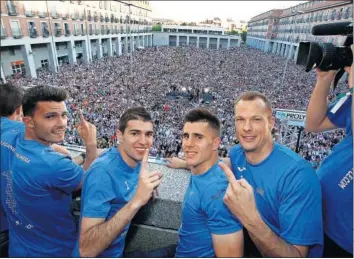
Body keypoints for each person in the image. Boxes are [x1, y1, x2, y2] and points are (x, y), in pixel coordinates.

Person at [168, 91, 323, 257]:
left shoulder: (298, 176)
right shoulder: (238, 153)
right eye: (240, 119)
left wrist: (249, 217)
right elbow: (221, 163)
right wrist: (187, 162)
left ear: (271, 122)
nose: (246, 127)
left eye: (256, 119)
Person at [0, 85, 97, 257]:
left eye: (64, 115)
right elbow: (91, 182)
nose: (61, 123)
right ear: (27, 121)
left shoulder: (7, 131)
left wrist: (58, 148)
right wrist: (90, 146)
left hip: (18, 248)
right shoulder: (54, 165)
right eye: (50, 116)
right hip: (56, 251)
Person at [75, 107, 163, 258]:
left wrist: (145, 183)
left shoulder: (134, 159)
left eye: (148, 134)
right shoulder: (102, 174)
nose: (143, 141)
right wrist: (136, 201)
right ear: (120, 136)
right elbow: (86, 250)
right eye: (135, 133)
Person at [175, 108, 243, 257]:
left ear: (215, 144)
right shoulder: (203, 169)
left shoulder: (218, 192)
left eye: (198, 137)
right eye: (186, 136)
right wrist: (183, 163)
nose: (188, 144)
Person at [305, 66, 353, 257]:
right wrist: (324, 80)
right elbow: (313, 124)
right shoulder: (350, 97)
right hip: (320, 219)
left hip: (345, 242)